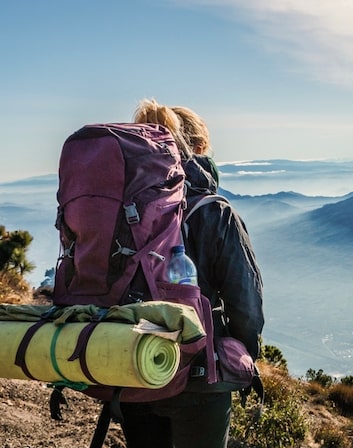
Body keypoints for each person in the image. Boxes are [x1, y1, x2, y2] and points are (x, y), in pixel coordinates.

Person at [119, 98, 265, 448]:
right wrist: (240, 359)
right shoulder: (215, 212)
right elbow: (245, 304)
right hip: (200, 377)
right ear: (199, 148)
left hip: (133, 367)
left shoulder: (123, 212)